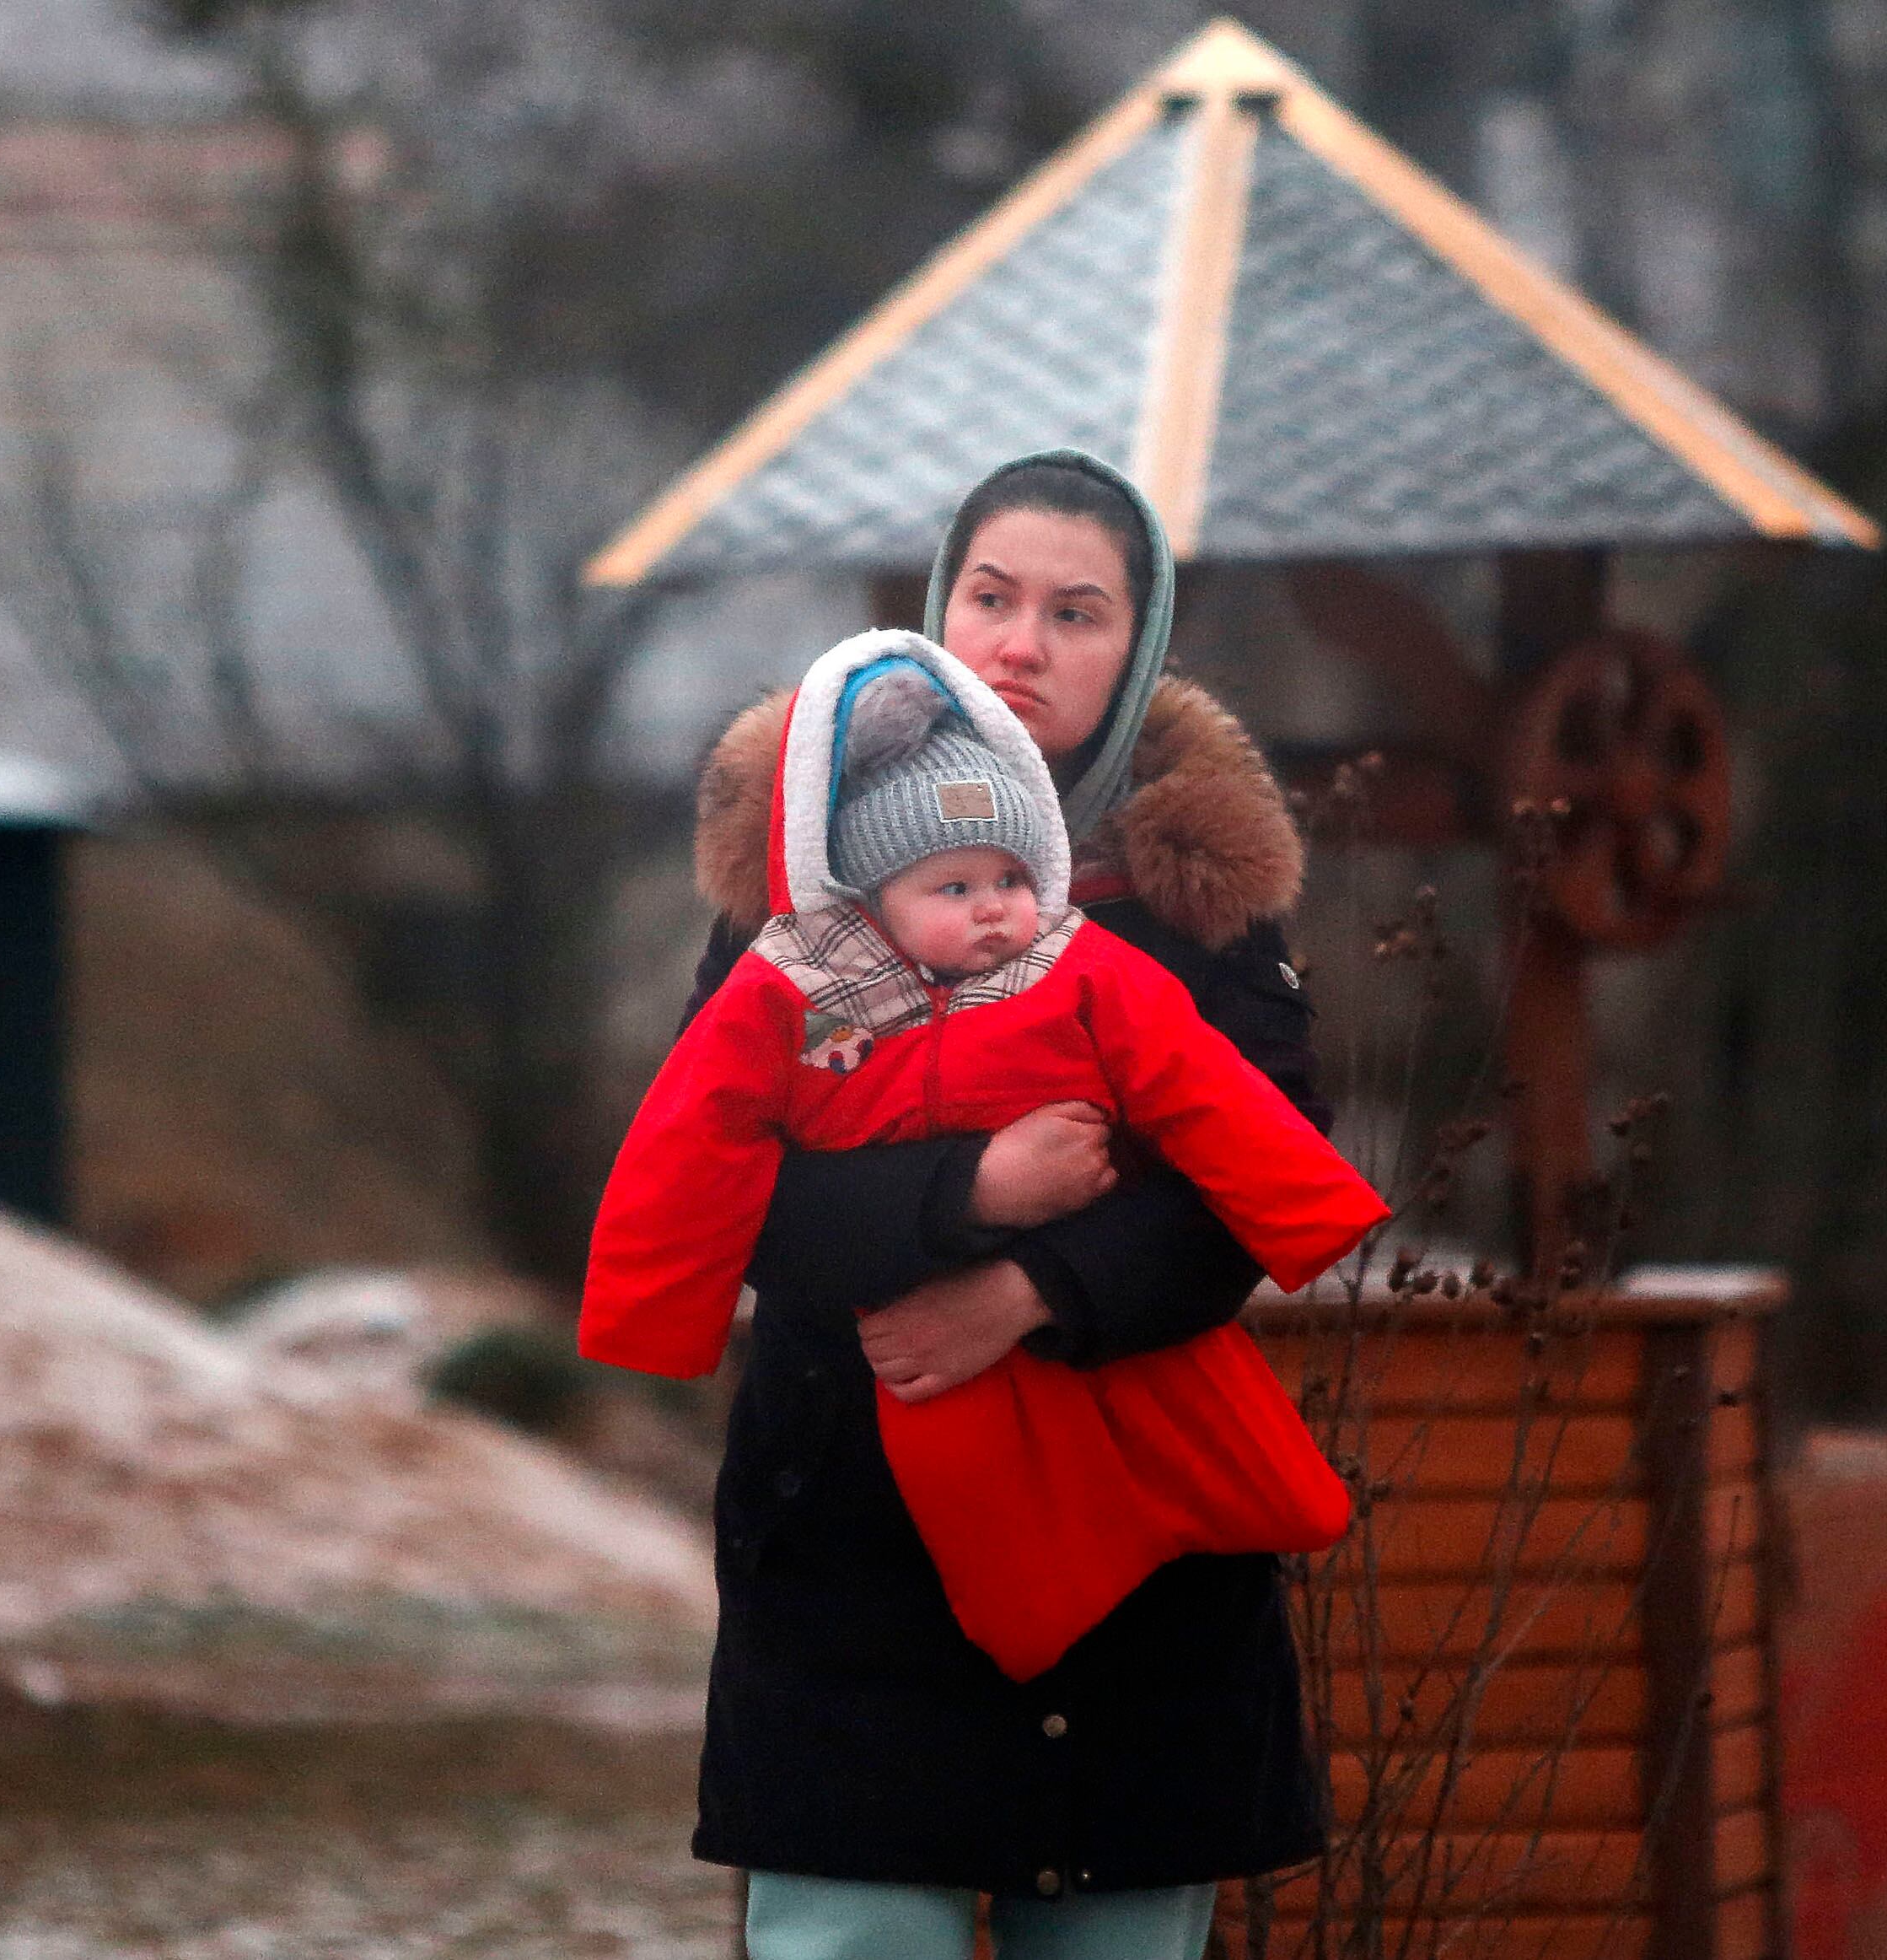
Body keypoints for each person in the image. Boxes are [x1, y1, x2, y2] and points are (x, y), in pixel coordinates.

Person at [671, 450, 1334, 1960]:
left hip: (1136, 1559)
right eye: (992, 595)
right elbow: (730, 1181)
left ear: (1140, 644)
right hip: (857, 1553)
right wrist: (967, 1188)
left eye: (1076, 609)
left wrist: (1033, 1292)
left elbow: (1253, 1184)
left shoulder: (1200, 889)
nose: (1022, 640)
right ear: (936, 610)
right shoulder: (800, 872)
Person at [580, 638, 1380, 1683]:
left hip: (1108, 1323)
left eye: (1009, 875)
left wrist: (1312, 1206)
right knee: (988, 1522)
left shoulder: (1080, 963)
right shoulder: (795, 987)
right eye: (953, 885)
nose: (994, 905)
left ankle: (1274, 1500)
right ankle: (1033, 1614)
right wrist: (655, 1315)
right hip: (909, 1357)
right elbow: (693, 1133)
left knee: (1242, 1452)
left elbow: (1200, 1085)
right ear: (873, 896)